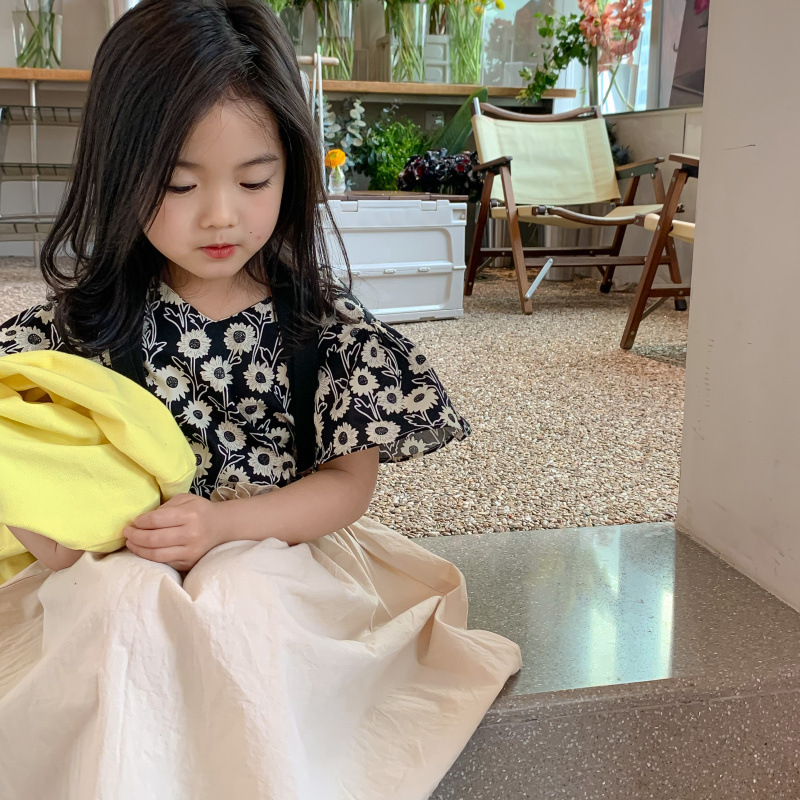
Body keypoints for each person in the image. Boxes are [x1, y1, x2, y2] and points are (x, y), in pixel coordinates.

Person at [0, 1, 522, 798]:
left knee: (242, 606)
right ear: (120, 170)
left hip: (281, 547)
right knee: (119, 611)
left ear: (292, 167)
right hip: (126, 557)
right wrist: (60, 537)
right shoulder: (83, 325)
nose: (221, 215)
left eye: (254, 180)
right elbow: (20, 445)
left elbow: (347, 485)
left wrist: (223, 527)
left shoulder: (322, 325)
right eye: (178, 184)